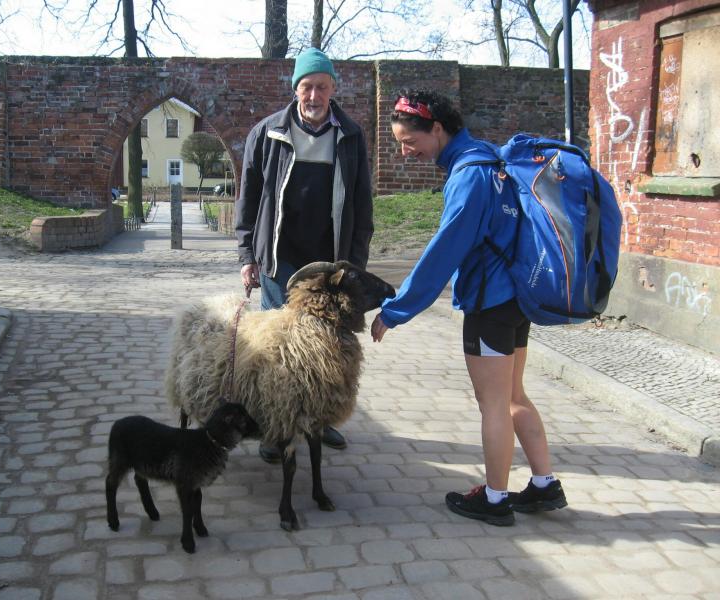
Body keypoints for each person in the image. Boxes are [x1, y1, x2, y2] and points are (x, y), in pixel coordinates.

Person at [370, 90, 567, 526]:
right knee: (513, 395)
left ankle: (494, 499)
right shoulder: (492, 159)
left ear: (437, 129)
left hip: (489, 303)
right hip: (516, 299)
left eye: (409, 141)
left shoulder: (469, 176)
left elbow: (444, 252)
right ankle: (544, 484)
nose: (405, 152)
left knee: (493, 403)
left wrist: (396, 310)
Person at [235, 48, 374, 463]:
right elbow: (248, 198)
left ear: (333, 89)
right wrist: (247, 254)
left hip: (329, 266)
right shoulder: (267, 133)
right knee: (276, 352)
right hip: (280, 259)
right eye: (307, 87)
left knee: (326, 348)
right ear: (295, 88)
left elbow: (362, 205)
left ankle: (318, 420)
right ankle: (273, 429)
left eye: (322, 87)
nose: (314, 96)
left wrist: (355, 265)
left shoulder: (350, 136)